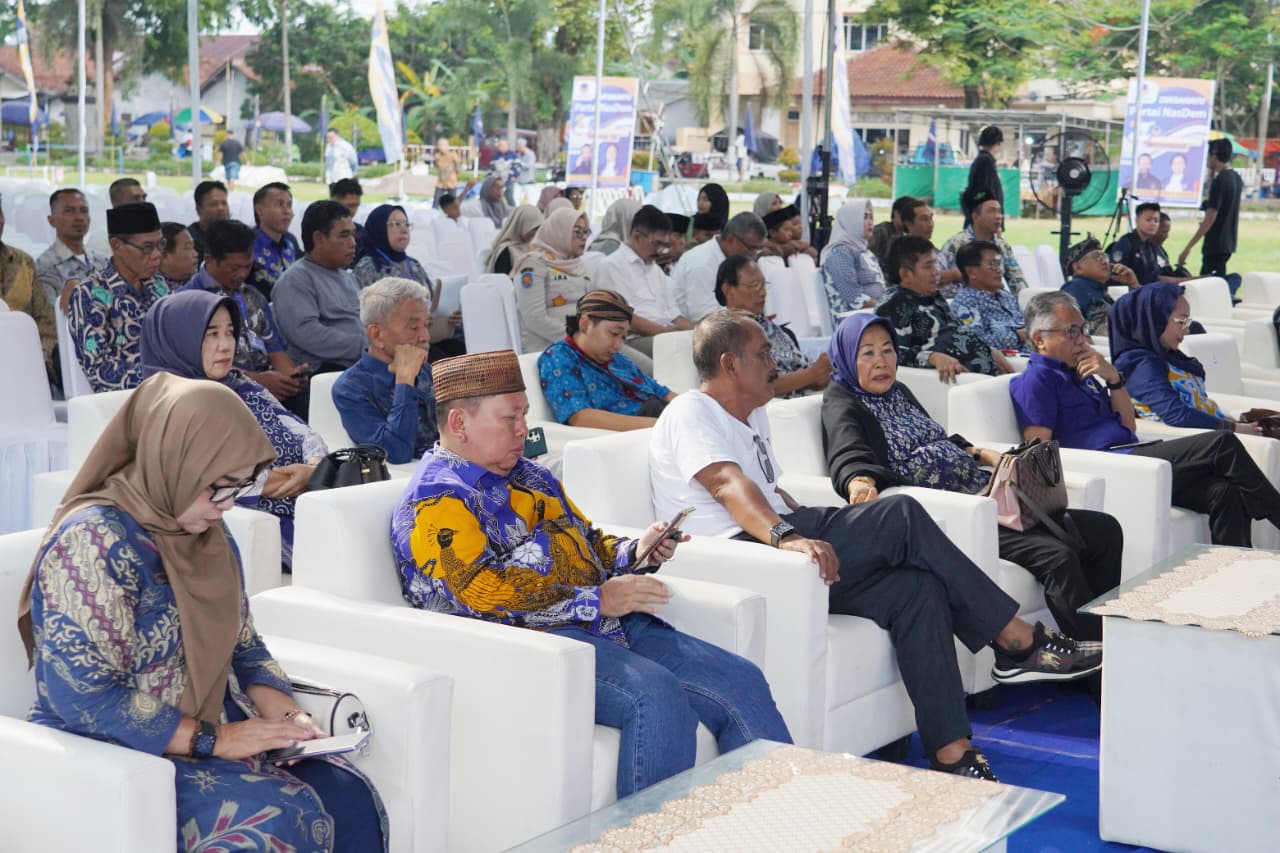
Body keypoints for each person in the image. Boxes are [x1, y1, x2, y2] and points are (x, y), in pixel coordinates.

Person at [648, 310, 1101, 781]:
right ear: (729, 364)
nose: (774, 364)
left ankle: (952, 752)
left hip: (774, 536)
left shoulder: (752, 414)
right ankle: (1014, 640)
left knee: (917, 589)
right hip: (741, 555)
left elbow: (769, 490)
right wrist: (788, 536)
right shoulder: (691, 411)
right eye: (763, 354)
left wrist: (814, 522)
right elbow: (726, 483)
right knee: (900, 514)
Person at [393, 349, 792, 796]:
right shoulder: (437, 500)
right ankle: (651, 833)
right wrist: (596, 600)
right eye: (509, 418)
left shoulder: (530, 476)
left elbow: (586, 543)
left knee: (740, 678)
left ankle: (781, 812)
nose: (524, 429)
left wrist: (637, 551)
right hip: (534, 647)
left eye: (524, 414)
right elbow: (478, 595)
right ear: (459, 423)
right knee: (655, 695)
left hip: (604, 623)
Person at [18, 372, 385, 850]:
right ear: (175, 463)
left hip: (212, 724)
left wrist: (290, 718)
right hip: (114, 754)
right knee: (277, 823)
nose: (227, 506)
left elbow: (244, 645)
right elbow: (83, 697)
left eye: (239, 487)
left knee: (347, 795)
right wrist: (217, 740)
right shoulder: (93, 543)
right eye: (219, 487)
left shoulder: (205, 531)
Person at [822, 313, 1121, 641]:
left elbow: (935, 436)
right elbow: (846, 450)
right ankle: (1093, 656)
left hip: (990, 494)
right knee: (1057, 557)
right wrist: (858, 479)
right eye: (868, 353)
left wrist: (980, 453)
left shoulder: (898, 391)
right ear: (847, 357)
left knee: (1104, 530)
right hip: (957, 513)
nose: (881, 362)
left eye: (887, 350)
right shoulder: (843, 402)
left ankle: (1107, 636)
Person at [1013, 291, 1280, 547]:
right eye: (1072, 331)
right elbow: (1038, 452)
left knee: (1223, 491)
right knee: (1222, 443)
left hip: (1133, 454)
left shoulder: (1082, 372)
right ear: (1040, 340)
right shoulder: (1037, 380)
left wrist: (1113, 379)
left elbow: (1128, 426)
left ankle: (1234, 564)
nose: (1082, 340)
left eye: (1083, 329)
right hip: (1108, 466)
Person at [140, 291, 325, 570]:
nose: (226, 345)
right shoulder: (169, 405)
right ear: (180, 339)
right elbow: (205, 480)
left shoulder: (241, 384)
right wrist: (294, 479)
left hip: (307, 498)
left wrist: (314, 467)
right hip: (257, 518)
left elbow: (302, 431)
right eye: (212, 334)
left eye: (229, 333)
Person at [185, 218, 308, 409]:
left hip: (267, 389)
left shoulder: (253, 296)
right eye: (234, 268)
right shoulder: (188, 301)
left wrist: (290, 378)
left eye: (247, 266)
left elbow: (275, 350)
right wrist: (257, 381)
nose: (242, 274)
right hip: (220, 395)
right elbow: (197, 367)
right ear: (210, 260)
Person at [1109, 282, 1257, 432]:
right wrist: (1238, 428)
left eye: (1187, 322)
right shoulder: (1139, 364)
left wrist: (1241, 421)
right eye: (1181, 321)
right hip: (1209, 439)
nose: (1186, 330)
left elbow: (1197, 405)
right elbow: (1176, 414)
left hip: (1218, 433)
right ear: (1152, 320)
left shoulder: (1166, 355)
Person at [875, 236, 1013, 382]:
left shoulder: (933, 296)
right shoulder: (893, 305)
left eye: (935, 264)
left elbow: (958, 331)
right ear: (905, 274)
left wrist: (988, 349)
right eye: (928, 266)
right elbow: (889, 353)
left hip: (985, 375)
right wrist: (933, 358)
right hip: (956, 383)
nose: (936, 272)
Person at [67, 202, 172, 391]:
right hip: (127, 398)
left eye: (161, 244)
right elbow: (98, 370)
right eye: (147, 247)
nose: (157, 255)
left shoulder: (159, 285)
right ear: (116, 245)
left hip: (171, 387)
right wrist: (162, 379)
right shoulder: (90, 294)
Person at [333, 277, 439, 464]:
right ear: (377, 335)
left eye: (426, 325)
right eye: (413, 327)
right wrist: (405, 380)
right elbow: (394, 453)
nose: (425, 337)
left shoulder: (426, 370)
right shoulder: (350, 388)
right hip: (409, 478)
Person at [537, 289, 676, 429]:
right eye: (614, 333)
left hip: (661, 417)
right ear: (584, 324)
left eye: (623, 337)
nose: (618, 345)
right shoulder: (558, 357)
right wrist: (659, 425)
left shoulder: (616, 358)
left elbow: (661, 391)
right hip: (638, 432)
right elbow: (579, 416)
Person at [715, 254, 832, 397]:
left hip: (802, 402)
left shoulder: (769, 327)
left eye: (763, 285)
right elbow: (758, 385)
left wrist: (822, 373)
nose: (762, 292)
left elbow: (807, 372)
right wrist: (812, 374)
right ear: (727, 290)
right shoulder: (723, 333)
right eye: (753, 285)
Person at [271, 200, 364, 372]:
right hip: (326, 372)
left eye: (353, 234)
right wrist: (366, 345)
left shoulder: (351, 278)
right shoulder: (296, 280)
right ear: (319, 238)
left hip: (361, 365)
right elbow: (308, 334)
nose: (353, 243)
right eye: (344, 235)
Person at [593, 206, 694, 357]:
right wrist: (669, 334)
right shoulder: (612, 266)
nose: (660, 251)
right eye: (657, 244)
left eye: (664, 245)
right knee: (683, 351)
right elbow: (626, 318)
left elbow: (674, 316)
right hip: (630, 340)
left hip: (663, 335)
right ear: (637, 236)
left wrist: (699, 332)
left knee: (706, 345)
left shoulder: (655, 270)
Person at [512, 206, 595, 354]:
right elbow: (534, 318)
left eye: (586, 232)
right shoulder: (534, 264)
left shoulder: (577, 264)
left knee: (636, 362)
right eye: (577, 231)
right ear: (560, 231)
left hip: (585, 342)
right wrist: (578, 339)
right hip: (551, 349)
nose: (584, 237)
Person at [670, 212, 767, 322]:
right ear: (731, 239)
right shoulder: (701, 263)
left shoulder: (737, 260)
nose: (754, 255)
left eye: (759, 249)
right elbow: (705, 318)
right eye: (751, 248)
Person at [0, 200, 55, 382]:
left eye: (0, 214)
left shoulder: (23, 261)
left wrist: (40, 356)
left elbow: (45, 320)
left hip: (27, 364)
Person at [950, 240, 1029, 354]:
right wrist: (1016, 336)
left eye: (999, 264)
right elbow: (975, 342)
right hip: (1007, 360)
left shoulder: (1006, 296)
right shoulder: (965, 303)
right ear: (972, 273)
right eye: (992, 265)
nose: (999, 270)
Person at [1179, 138, 1243, 278]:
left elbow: (1211, 217)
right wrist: (1212, 174)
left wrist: (1188, 247)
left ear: (1214, 156)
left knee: (1208, 282)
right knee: (1218, 279)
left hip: (1215, 243)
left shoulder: (1220, 181)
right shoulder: (1236, 178)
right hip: (1228, 242)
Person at [940, 194, 1027, 295]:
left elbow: (1017, 281)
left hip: (995, 300)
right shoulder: (955, 243)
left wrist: (1026, 298)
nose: (998, 216)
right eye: (991, 211)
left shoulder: (1002, 245)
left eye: (999, 211)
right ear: (975, 217)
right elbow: (937, 278)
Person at [36, 188, 107, 312]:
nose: (79, 217)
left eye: (84, 211)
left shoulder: (102, 261)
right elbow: (52, 315)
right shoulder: (44, 266)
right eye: (69, 211)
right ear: (51, 220)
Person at [1060, 235, 1139, 338]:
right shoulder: (1075, 287)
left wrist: (1133, 284)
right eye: (1096, 257)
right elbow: (1065, 327)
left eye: (1104, 256)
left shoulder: (1099, 290)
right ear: (1078, 267)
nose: (1104, 261)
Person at [820, 199, 886, 313]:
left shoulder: (864, 251)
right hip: (855, 318)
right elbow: (854, 298)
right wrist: (886, 309)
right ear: (850, 222)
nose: (870, 222)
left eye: (871, 217)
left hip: (872, 314)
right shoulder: (841, 253)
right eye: (864, 217)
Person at [353, 204, 430, 289]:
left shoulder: (414, 265)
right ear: (380, 229)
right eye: (397, 224)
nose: (404, 230)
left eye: (406, 224)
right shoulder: (368, 269)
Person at [248, 182, 302, 299]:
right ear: (259, 210)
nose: (287, 211)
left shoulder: (291, 241)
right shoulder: (246, 243)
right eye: (279, 204)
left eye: (289, 205)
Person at [900, 199, 963, 296]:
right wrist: (953, 274)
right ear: (908, 224)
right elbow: (918, 280)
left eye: (931, 218)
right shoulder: (902, 251)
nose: (930, 224)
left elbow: (962, 275)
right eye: (924, 219)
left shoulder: (935, 251)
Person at [1106, 202, 1179, 286]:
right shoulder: (1125, 243)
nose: (1153, 224)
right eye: (1148, 220)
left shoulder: (1152, 246)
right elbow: (1115, 276)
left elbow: (1154, 277)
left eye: (1156, 221)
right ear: (1137, 220)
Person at [961, 126, 1003, 226]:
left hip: (981, 218)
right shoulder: (986, 161)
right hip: (985, 222)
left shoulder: (981, 160)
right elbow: (987, 192)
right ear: (997, 143)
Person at [486, 204, 545, 275]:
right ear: (521, 225)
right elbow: (503, 279)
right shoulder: (506, 251)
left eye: (540, 228)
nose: (537, 232)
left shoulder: (536, 247)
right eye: (534, 228)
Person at [187, 180, 230, 267]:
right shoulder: (189, 239)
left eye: (224, 203)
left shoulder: (236, 234)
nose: (221, 208)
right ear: (199, 209)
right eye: (214, 204)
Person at [869, 195, 916, 268]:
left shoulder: (903, 237)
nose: (911, 220)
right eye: (908, 216)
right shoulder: (881, 231)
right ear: (896, 213)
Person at [158, 222, 200, 290]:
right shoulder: (150, 291)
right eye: (188, 247)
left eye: (193, 246)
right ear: (164, 256)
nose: (196, 254)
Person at [330, 177, 365, 248]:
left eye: (356, 205)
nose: (353, 211)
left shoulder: (360, 232)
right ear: (334, 201)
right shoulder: (319, 229)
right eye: (350, 205)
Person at [433, 137, 459, 206]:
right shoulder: (437, 156)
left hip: (451, 183)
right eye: (439, 145)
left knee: (453, 203)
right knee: (436, 202)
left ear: (447, 146)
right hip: (440, 183)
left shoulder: (453, 156)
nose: (441, 147)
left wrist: (455, 177)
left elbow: (457, 168)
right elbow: (436, 166)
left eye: (443, 145)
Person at [512, 137, 537, 202]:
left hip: (528, 181)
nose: (519, 149)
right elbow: (515, 167)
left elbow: (528, 166)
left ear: (524, 146)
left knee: (532, 201)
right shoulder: (518, 155)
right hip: (519, 181)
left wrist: (519, 163)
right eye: (518, 147)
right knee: (515, 200)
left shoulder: (530, 154)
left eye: (520, 147)